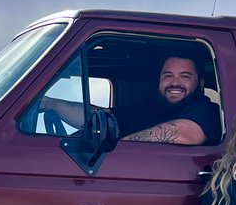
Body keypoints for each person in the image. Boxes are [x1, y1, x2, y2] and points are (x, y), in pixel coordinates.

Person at [41, 54, 221, 145]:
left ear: (200, 84)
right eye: (168, 76)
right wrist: (52, 104)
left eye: (185, 76)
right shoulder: (149, 108)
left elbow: (184, 132)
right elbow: (101, 117)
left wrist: (118, 146)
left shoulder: (208, 111)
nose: (175, 83)